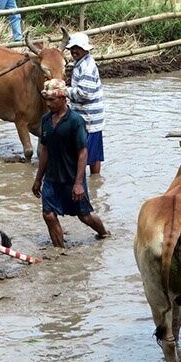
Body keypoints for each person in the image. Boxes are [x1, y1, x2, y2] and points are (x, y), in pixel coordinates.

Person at [32, 79, 108, 248]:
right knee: (48, 214)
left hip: (72, 177)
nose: (49, 104)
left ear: (63, 98)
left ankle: (104, 234)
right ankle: (59, 252)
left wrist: (79, 183)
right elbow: (45, 150)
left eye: (52, 100)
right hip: (52, 178)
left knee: (85, 216)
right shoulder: (45, 120)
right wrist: (38, 179)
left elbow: (83, 152)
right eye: (47, 100)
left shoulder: (75, 121)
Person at [65, 32, 105, 176]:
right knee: (94, 155)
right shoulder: (82, 63)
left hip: (88, 119)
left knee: (82, 153)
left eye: (78, 48)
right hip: (93, 118)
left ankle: (80, 182)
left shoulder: (86, 67)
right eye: (72, 48)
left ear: (85, 49)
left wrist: (65, 90)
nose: (74, 51)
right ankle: (95, 182)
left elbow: (84, 94)